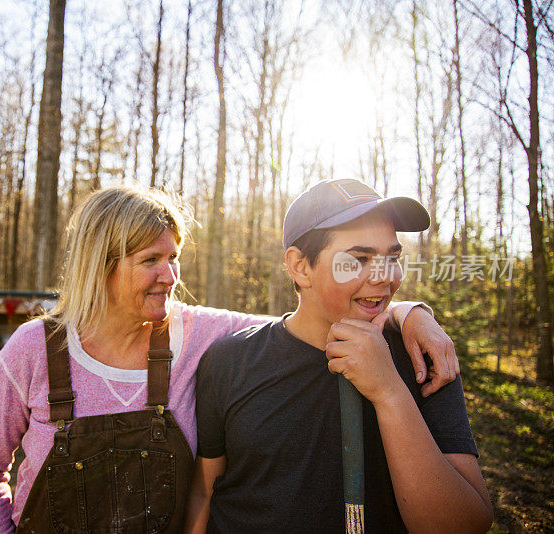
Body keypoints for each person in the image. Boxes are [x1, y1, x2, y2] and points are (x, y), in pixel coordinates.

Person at [0, 185, 460, 534]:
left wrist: (409, 313)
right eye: (150, 261)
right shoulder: (33, 350)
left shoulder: (198, 333)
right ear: (102, 267)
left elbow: (305, 315)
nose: (170, 274)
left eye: (173, 256)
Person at [186, 179, 492, 533]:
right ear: (300, 267)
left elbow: (466, 525)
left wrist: (389, 392)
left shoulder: (423, 359)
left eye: (392, 257)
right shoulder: (230, 360)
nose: (384, 278)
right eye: (359, 259)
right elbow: (205, 493)